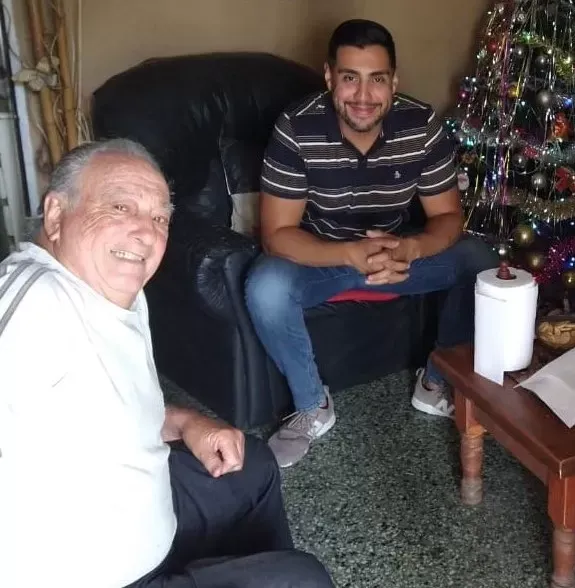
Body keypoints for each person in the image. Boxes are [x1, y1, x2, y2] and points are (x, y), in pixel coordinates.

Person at [0, 140, 334, 588]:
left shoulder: (115, 288)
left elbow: (99, 411)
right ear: (56, 214)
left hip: (142, 514)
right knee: (299, 581)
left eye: (159, 218)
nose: (145, 233)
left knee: (250, 466)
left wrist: (185, 422)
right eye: (120, 206)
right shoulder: (33, 305)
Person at [245, 19, 498, 468]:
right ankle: (312, 406)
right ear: (329, 77)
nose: (363, 96)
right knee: (265, 286)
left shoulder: (420, 124)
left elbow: (447, 218)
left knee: (479, 260)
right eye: (350, 78)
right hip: (322, 258)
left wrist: (412, 249)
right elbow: (277, 235)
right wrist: (348, 254)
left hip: (399, 256)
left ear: (393, 82)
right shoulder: (296, 127)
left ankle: (436, 382)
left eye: (377, 79)